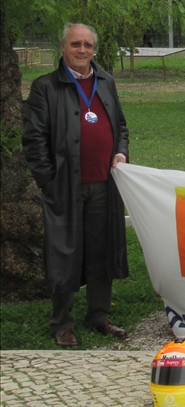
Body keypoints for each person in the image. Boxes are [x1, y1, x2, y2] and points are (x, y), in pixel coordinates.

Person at [22, 23, 130, 347]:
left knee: (101, 251)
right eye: (75, 44)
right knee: (64, 252)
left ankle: (98, 315)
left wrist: (121, 153)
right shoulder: (46, 87)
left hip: (104, 185)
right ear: (63, 46)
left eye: (87, 45)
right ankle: (62, 322)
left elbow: (121, 126)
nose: (82, 50)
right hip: (65, 187)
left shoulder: (106, 82)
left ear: (94, 49)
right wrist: (49, 182)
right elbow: (34, 140)